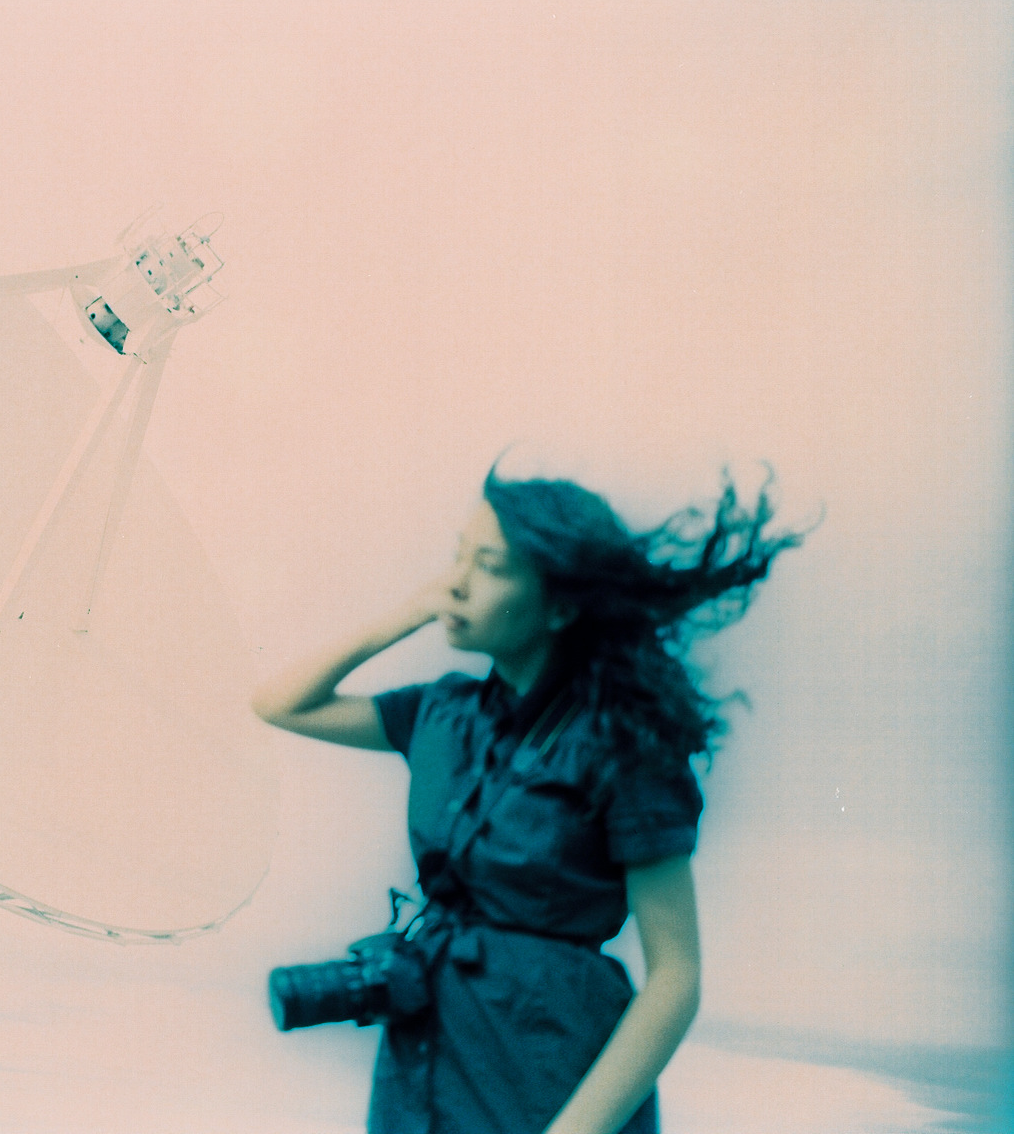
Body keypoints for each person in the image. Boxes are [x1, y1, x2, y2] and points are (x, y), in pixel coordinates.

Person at [251, 464, 802, 1134]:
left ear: (562, 604)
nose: (458, 580)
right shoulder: (442, 713)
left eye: (489, 566)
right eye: (458, 556)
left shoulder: (625, 747)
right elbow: (282, 704)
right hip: (424, 1054)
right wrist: (414, 611)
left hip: (548, 1071)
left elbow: (675, 979)